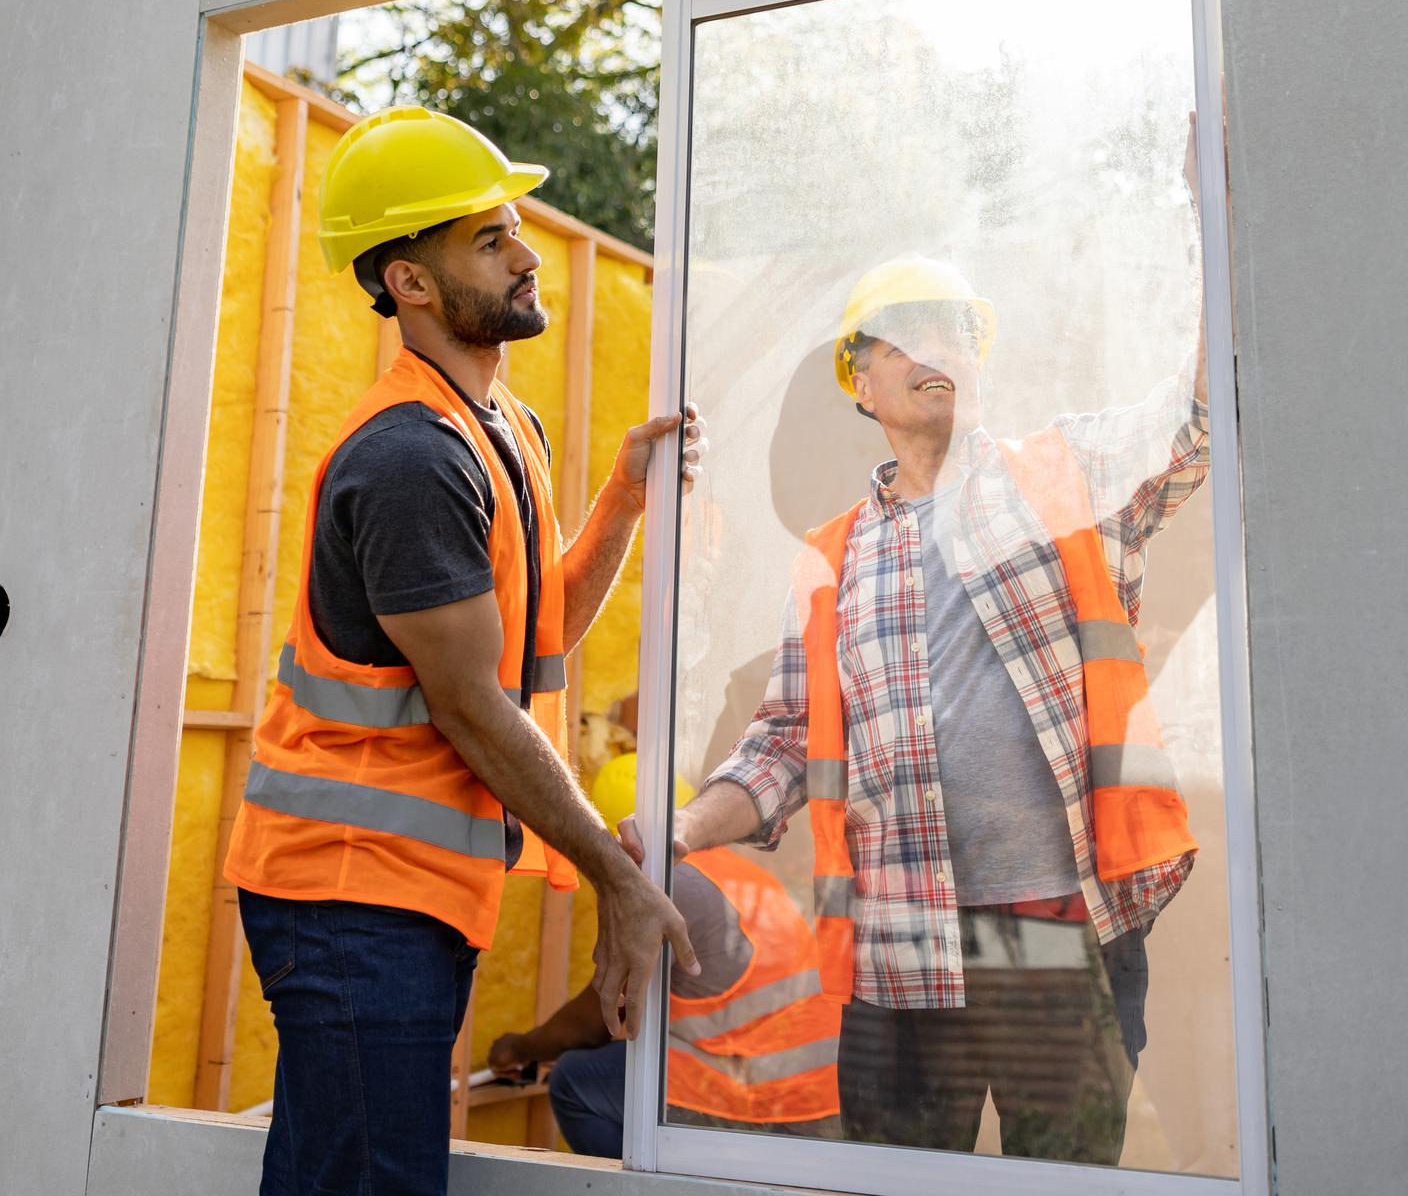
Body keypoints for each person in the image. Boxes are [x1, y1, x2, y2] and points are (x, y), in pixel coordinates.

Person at [641, 134, 1211, 1162]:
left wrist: (1213, 202)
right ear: (860, 382)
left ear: (978, 356)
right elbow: (779, 746)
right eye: (900, 338)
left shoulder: (1060, 477)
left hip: (1050, 930)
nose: (931, 349)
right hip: (897, 950)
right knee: (899, 1185)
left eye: (950, 328)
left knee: (1066, 1186)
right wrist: (675, 831)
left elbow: (1195, 419)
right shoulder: (831, 559)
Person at [221, 106, 704, 1196]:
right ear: (411, 284)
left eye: (515, 228)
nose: (529, 253)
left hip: (404, 898)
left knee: (333, 1177)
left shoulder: (502, 428)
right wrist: (615, 882)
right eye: (492, 240)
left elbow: (537, 636)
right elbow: (474, 705)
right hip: (347, 893)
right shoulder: (407, 457)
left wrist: (623, 498)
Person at [488, 755, 841, 1156]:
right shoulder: (734, 872)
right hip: (820, 1096)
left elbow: (595, 1021)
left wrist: (520, 1048)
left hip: (767, 1102)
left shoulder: (668, 887)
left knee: (573, 1081)